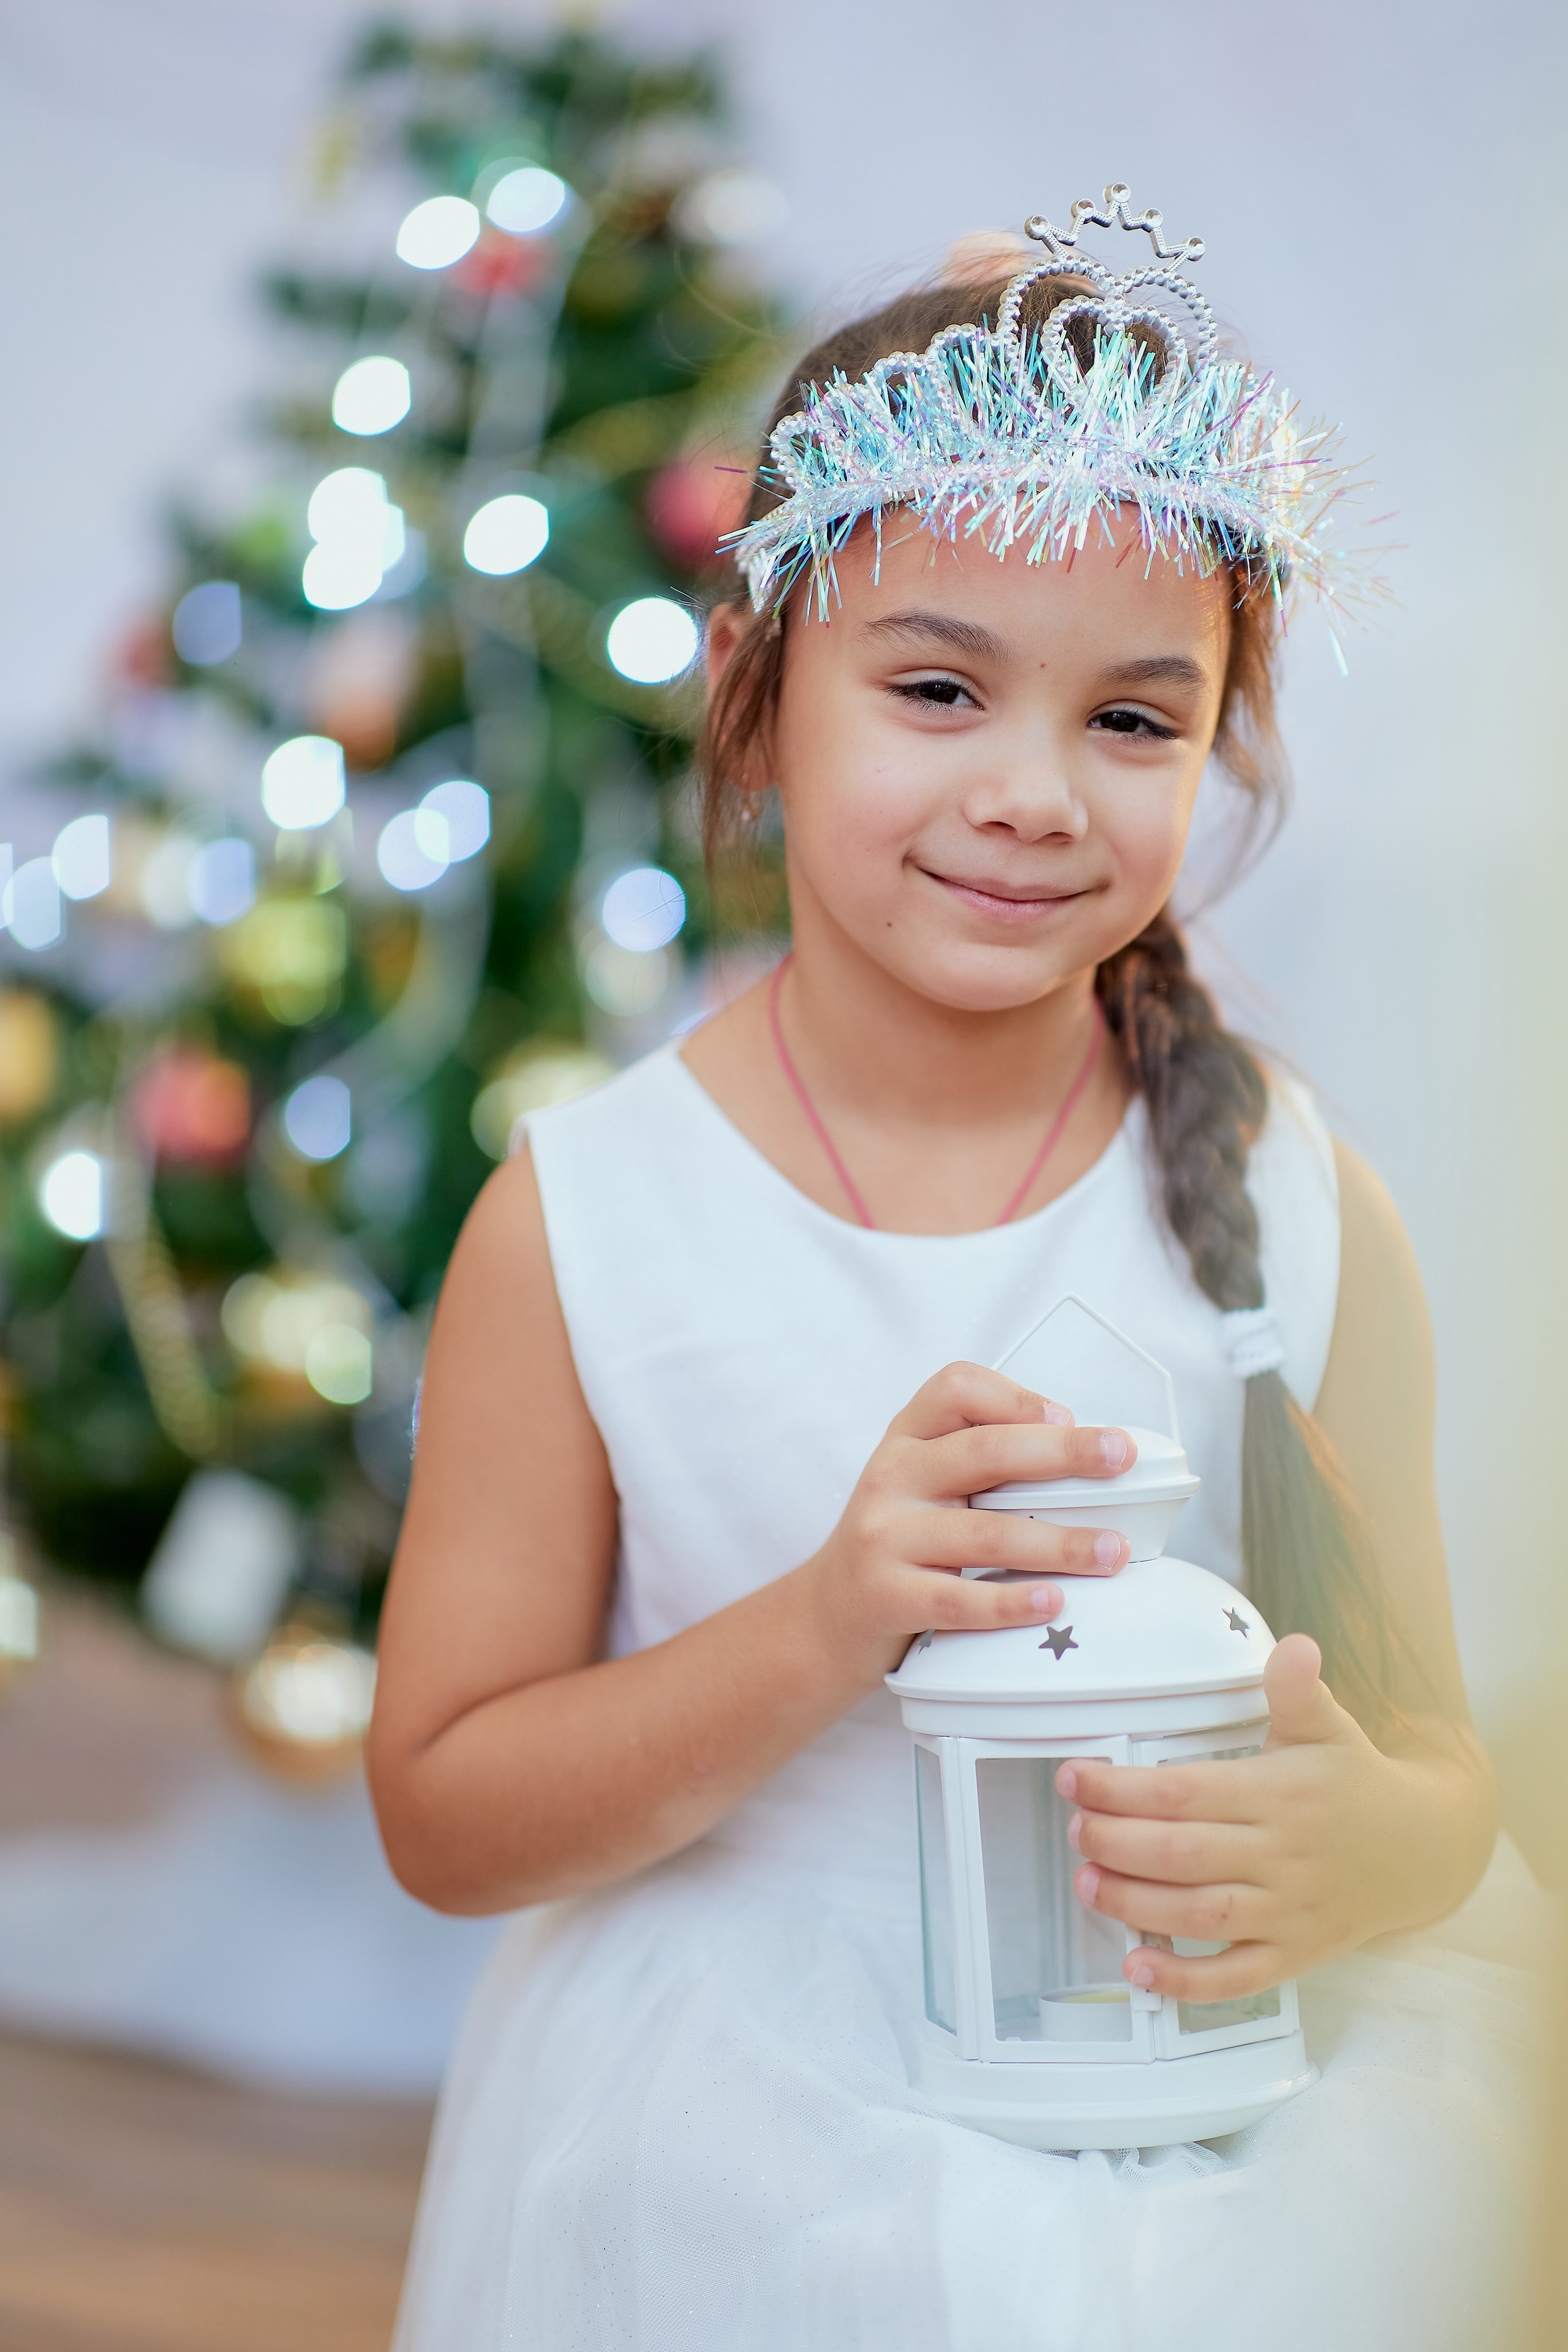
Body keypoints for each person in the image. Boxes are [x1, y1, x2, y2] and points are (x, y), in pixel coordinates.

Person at [369, 195, 1544, 2350]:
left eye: (1134, 722)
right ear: (755, 689)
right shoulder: (588, 1220)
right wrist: (830, 1620)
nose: (1030, 794)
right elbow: (446, 1816)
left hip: (1201, 2088)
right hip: (743, 2115)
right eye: (936, 688)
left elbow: (1443, 1768)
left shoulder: (1299, 1206)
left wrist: (1361, 1851)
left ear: (1220, 743)